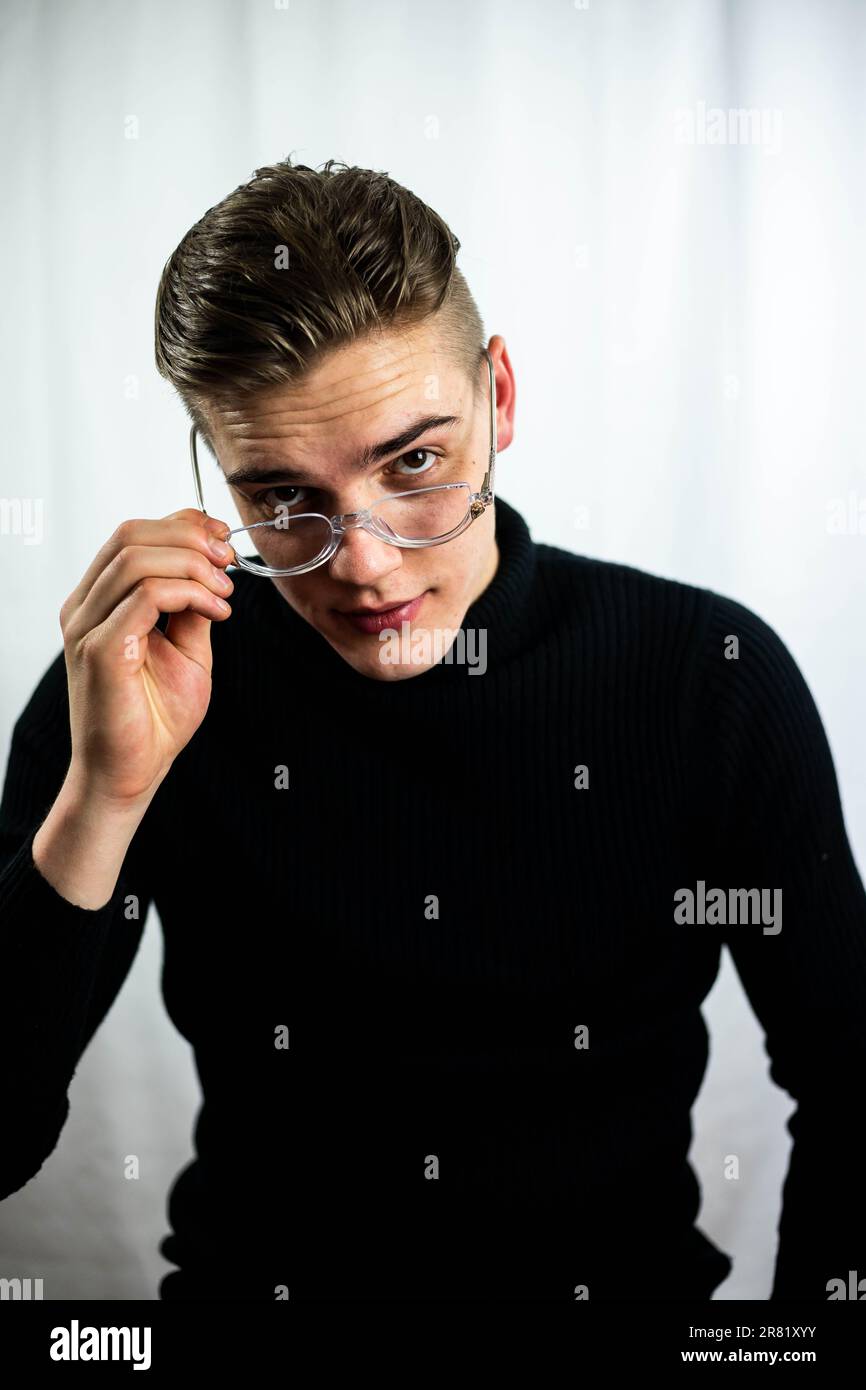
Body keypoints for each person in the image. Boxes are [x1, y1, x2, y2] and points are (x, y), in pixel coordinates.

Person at [1, 157, 863, 1302]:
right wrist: (101, 798)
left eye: (414, 462)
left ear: (498, 396)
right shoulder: (138, 686)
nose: (363, 565)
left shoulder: (704, 676)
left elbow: (851, 1089)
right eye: (280, 499)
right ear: (216, 473)